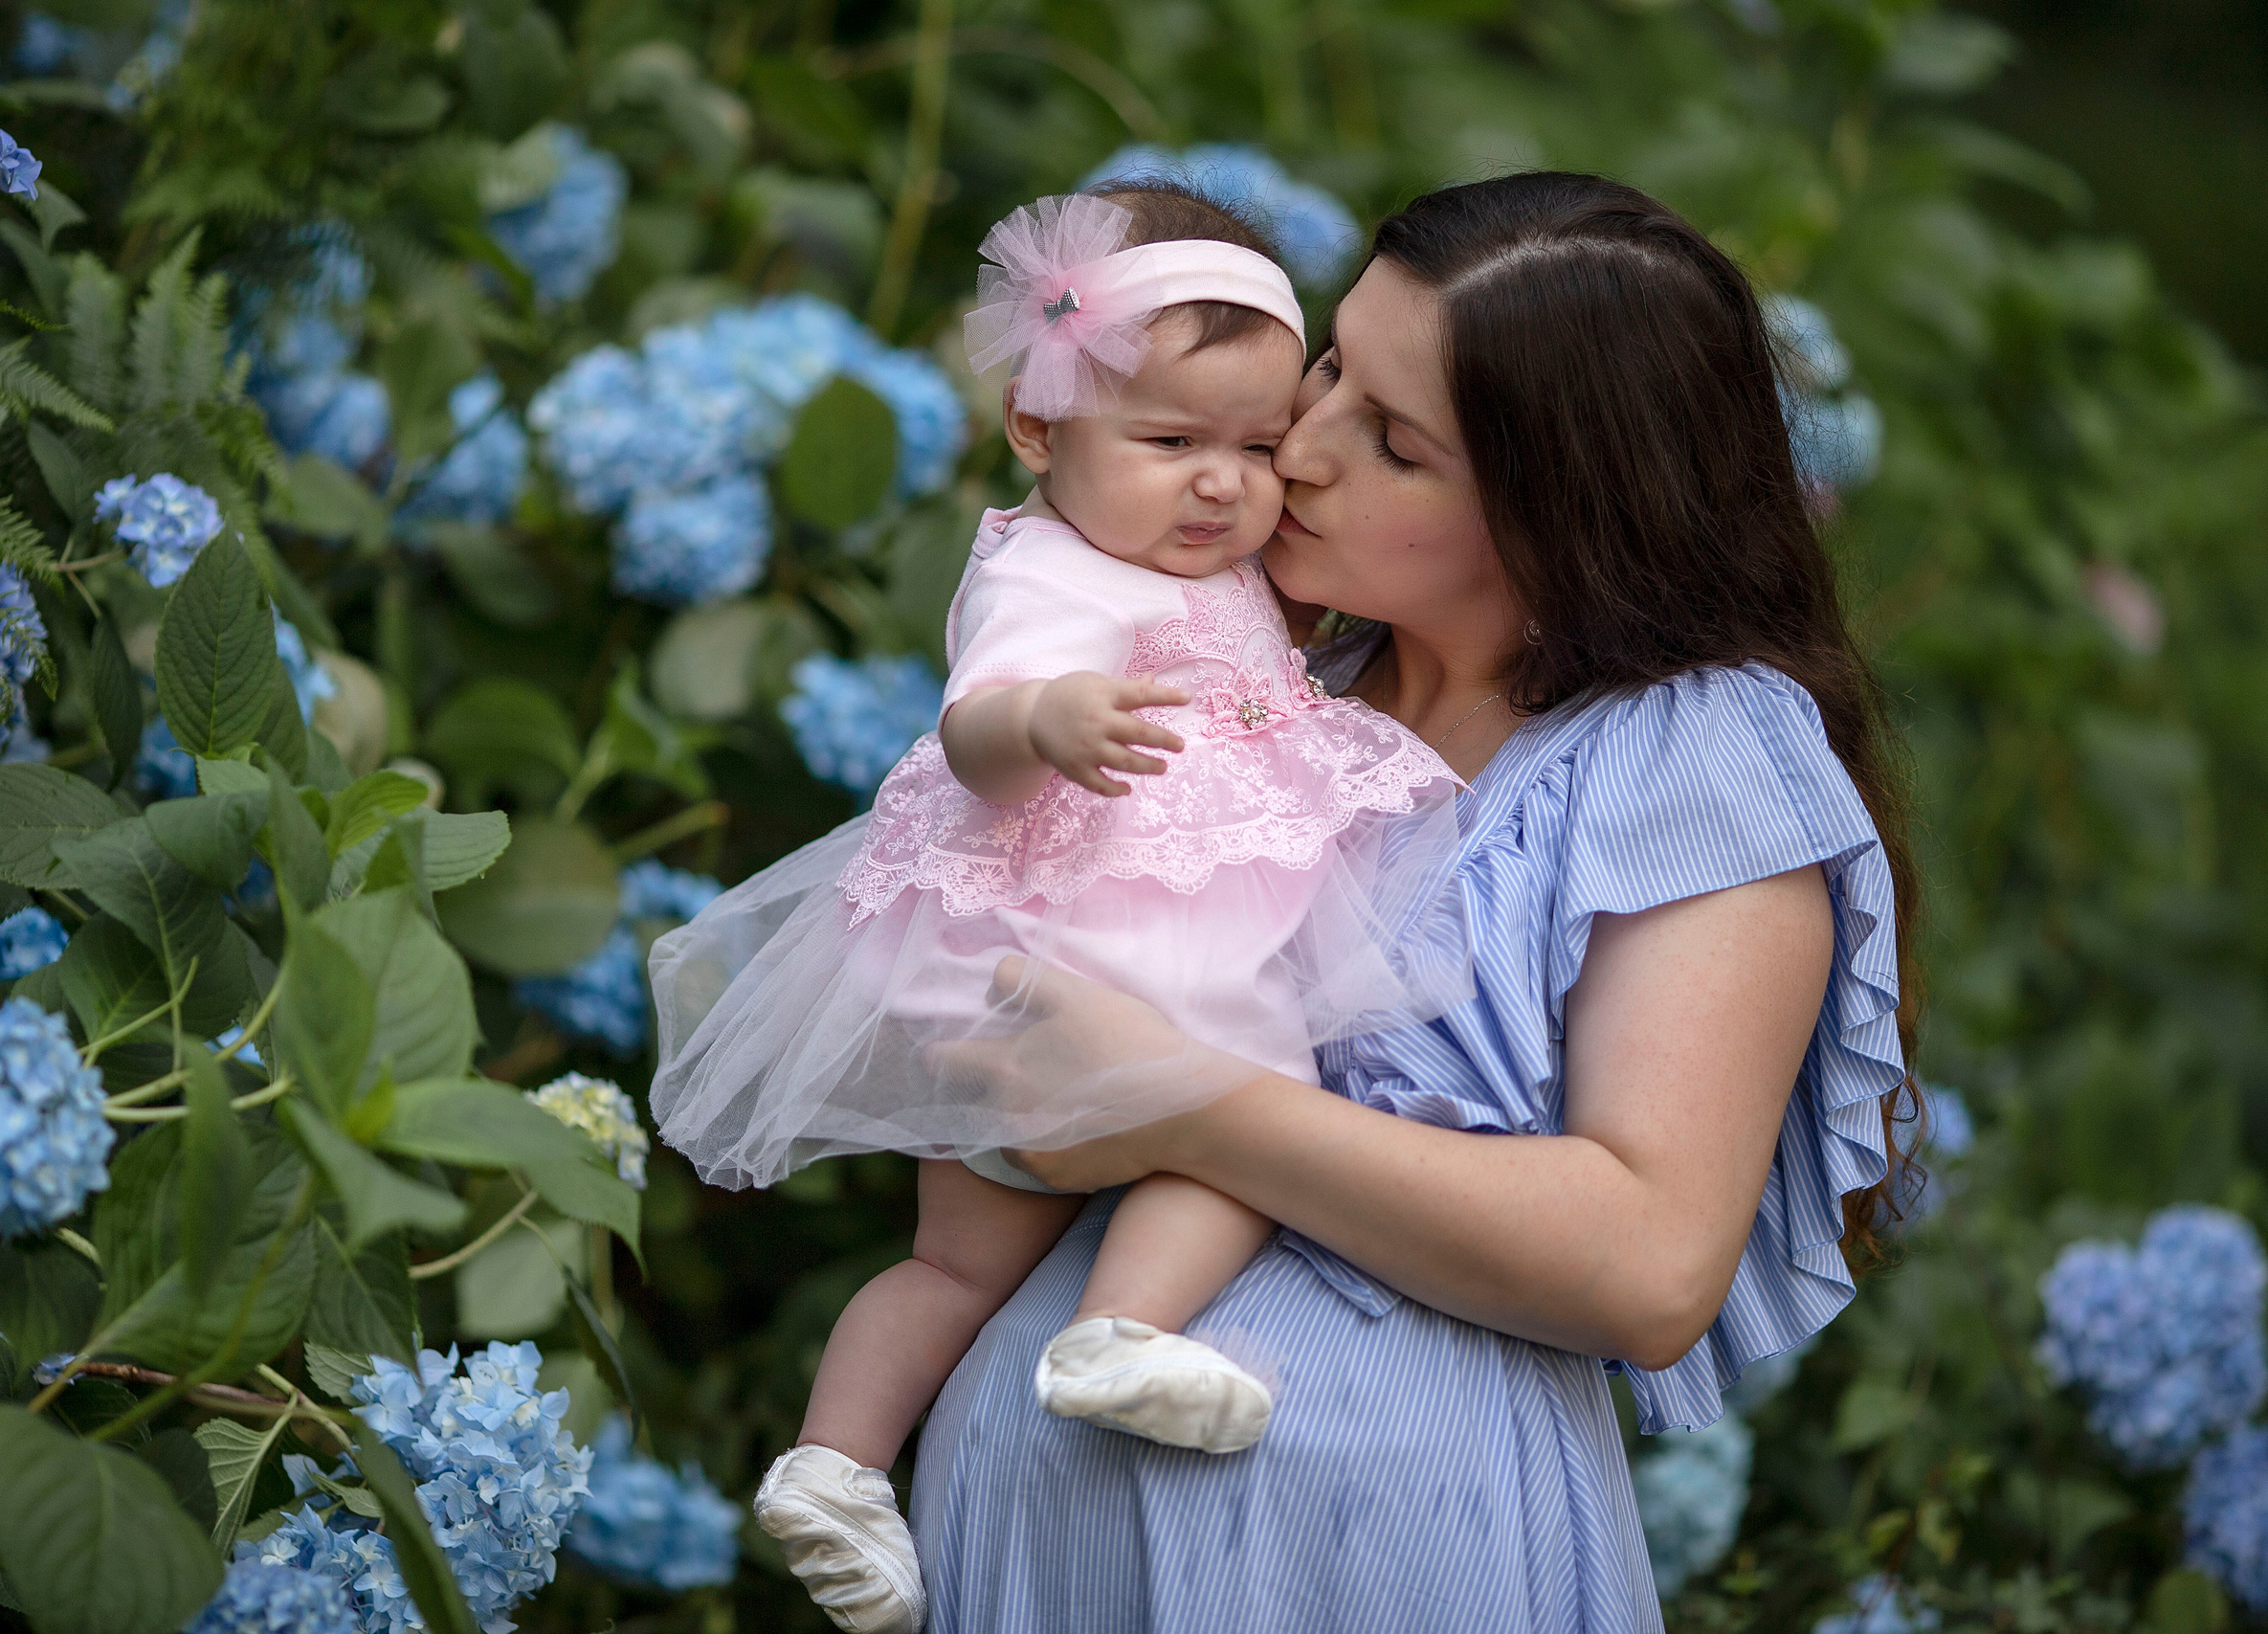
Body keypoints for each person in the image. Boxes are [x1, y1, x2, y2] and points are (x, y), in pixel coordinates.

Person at [904, 170, 1921, 1633]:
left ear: (1565, 506)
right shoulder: (1255, 670)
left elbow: (1648, 1260)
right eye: (1327, 365)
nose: (1297, 450)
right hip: (1038, 1535)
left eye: (1391, 441)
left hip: (1381, 1561)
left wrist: (1184, 1102)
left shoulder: (1691, 757)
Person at [649, 186, 1460, 1632]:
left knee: (969, 1256)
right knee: (1242, 1122)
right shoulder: (1051, 573)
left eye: (1259, 449)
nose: (1223, 486)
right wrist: (1052, 720)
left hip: (1077, 974)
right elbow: (972, 730)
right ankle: (1041, 1369)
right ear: (1040, 431)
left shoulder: (1191, 556)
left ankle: (882, 1445)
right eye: (1169, 443)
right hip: (1092, 962)